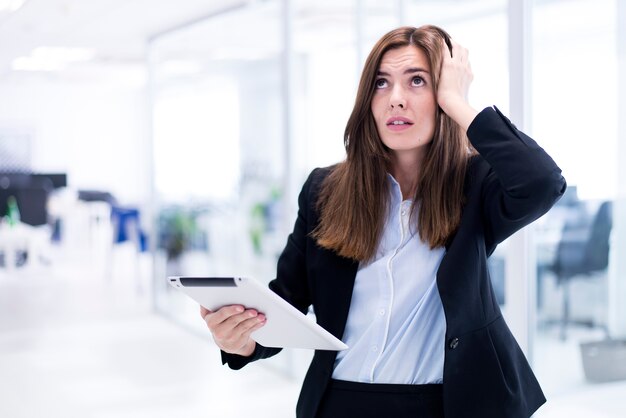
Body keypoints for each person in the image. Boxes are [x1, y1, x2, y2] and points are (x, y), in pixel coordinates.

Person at [201, 24, 566, 418]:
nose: (396, 99)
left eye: (417, 81)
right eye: (381, 83)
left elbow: (542, 181)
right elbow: (287, 300)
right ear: (367, 101)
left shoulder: (474, 185)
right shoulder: (324, 190)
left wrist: (458, 103)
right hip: (341, 403)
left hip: (446, 405)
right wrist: (243, 341)